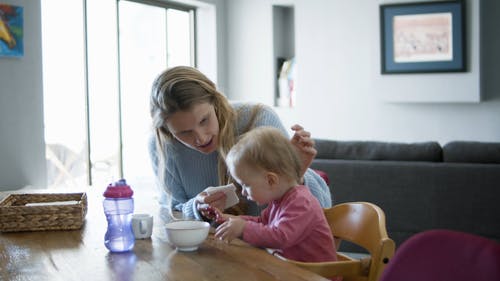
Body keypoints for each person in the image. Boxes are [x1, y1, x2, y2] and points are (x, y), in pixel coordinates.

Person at [149, 65, 331, 220]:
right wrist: (196, 208)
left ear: (215, 100)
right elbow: (170, 215)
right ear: (167, 130)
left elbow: (322, 213)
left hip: (272, 252)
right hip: (210, 254)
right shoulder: (161, 146)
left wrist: (296, 174)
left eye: (204, 120)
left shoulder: (258, 120)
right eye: (184, 132)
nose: (201, 138)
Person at [214, 126, 339, 268]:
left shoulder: (301, 202)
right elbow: (263, 222)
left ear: (271, 180)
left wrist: (244, 228)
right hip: (292, 270)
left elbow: (281, 236)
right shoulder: (280, 200)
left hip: (316, 275)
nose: (243, 192)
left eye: (245, 185)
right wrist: (230, 219)